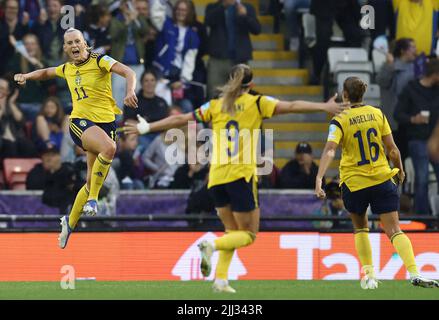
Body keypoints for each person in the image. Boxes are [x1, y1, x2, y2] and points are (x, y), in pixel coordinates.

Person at [124, 63, 347, 293]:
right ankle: (212, 244)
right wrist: (324, 106)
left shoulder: (215, 106)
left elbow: (179, 119)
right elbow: (292, 105)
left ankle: (220, 280)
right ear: (251, 85)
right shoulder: (257, 103)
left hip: (216, 178)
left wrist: (147, 127)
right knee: (249, 234)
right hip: (240, 176)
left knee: (232, 231)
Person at [14, 28, 138, 249]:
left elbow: (129, 71)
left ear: (85, 44)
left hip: (106, 124)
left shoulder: (100, 60)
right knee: (109, 148)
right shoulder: (67, 68)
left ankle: (69, 224)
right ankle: (93, 200)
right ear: (65, 48)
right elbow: (45, 72)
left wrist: (130, 91)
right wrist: (27, 76)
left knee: (91, 180)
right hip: (80, 123)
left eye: (77, 41)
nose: (74, 45)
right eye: (69, 42)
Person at [315, 76, 439, 289]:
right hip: (382, 178)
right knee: (394, 230)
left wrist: (319, 178)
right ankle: (414, 272)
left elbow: (330, 149)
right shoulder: (377, 113)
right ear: (362, 94)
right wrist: (399, 169)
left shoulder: (339, 120)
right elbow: (392, 148)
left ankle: (370, 275)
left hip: (354, 183)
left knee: (360, 227)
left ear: (345, 95)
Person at [393, 58, 439, 215]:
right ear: (434, 75)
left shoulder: (437, 89)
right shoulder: (411, 89)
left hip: (436, 139)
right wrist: (414, 119)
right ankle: (423, 217)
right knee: (422, 178)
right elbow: (397, 114)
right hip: (417, 139)